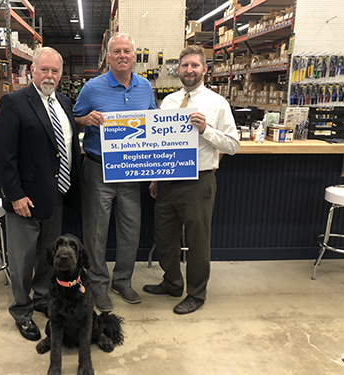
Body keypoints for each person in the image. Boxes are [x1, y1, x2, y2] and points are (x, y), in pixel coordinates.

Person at [143, 45, 240, 314]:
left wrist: (205, 129)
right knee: (164, 238)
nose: (189, 70)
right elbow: (162, 143)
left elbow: (233, 145)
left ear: (204, 70)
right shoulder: (169, 102)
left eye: (194, 65)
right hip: (168, 181)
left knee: (197, 242)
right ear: (178, 70)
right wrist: (155, 178)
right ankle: (172, 281)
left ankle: (196, 294)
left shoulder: (217, 103)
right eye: (185, 66)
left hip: (199, 182)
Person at [0, 47, 81, 340]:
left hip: (55, 194)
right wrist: (15, 195)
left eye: (55, 71)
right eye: (44, 69)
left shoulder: (65, 103)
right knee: (22, 260)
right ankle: (22, 311)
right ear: (32, 71)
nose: (49, 76)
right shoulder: (14, 102)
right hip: (25, 199)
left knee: (48, 255)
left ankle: (43, 298)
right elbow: (4, 155)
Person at [73, 33, 156, 312]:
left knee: (131, 230)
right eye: (117, 51)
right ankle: (97, 285)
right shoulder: (91, 88)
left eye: (127, 51)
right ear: (108, 56)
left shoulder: (145, 87)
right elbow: (71, 121)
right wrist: (84, 120)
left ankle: (122, 280)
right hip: (98, 170)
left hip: (132, 171)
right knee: (95, 233)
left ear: (134, 56)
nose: (122, 55)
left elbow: (154, 124)